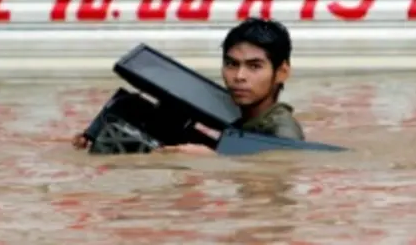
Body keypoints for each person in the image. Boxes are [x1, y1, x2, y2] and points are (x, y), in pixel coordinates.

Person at [72, 17, 305, 155]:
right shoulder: (237, 115)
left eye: (254, 67)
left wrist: (216, 159)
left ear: (282, 72)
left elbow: (280, 172)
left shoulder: (283, 133)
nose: (239, 76)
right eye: (231, 64)